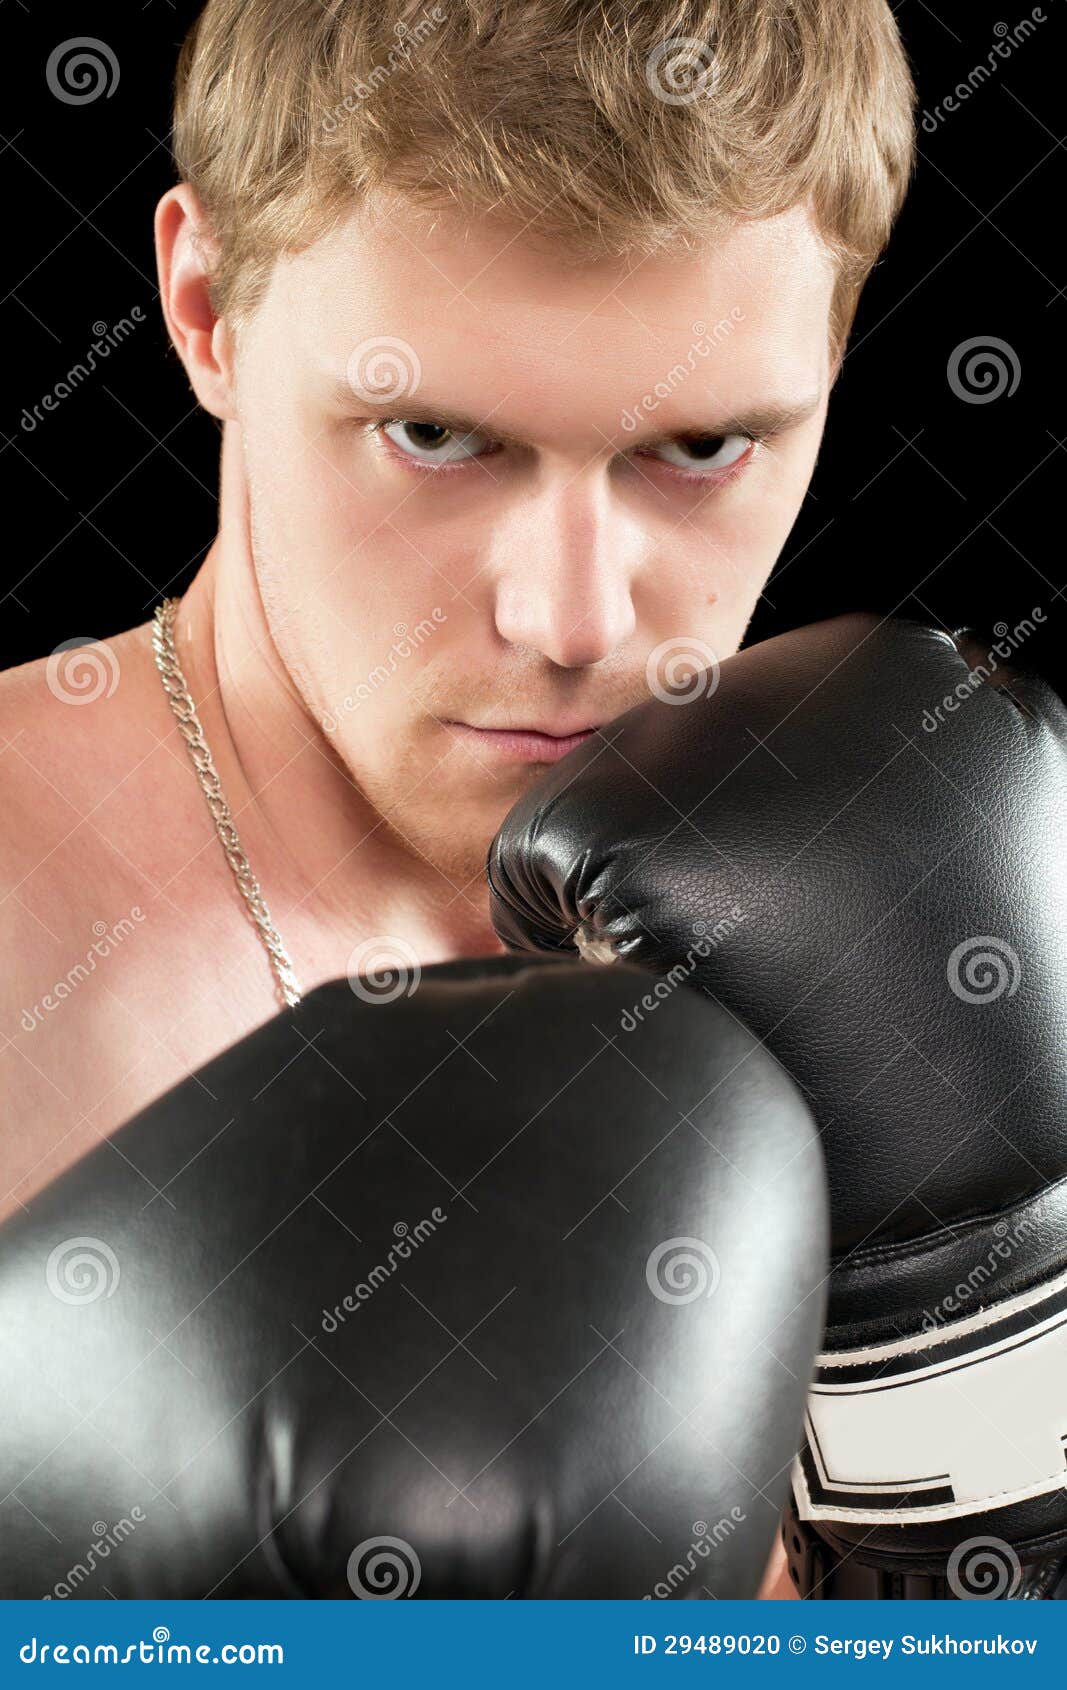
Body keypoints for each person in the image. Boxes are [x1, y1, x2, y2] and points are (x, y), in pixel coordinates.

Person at [0, 0, 916, 1598]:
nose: (571, 622)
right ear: (207, 308)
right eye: (435, 437)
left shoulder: (925, 944)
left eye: (700, 447)